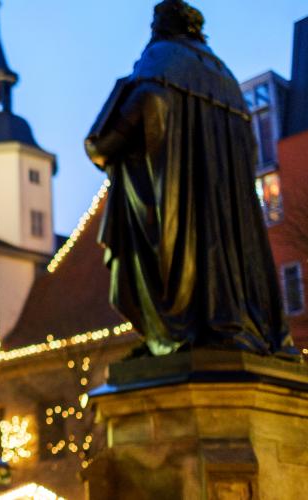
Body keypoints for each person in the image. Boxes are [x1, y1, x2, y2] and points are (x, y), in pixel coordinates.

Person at [85, 0, 298, 358]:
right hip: (230, 225)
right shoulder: (224, 78)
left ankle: (172, 331)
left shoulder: (159, 63)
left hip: (176, 211)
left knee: (134, 278)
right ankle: (231, 321)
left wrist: (100, 142)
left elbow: (128, 122)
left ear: (161, 28)